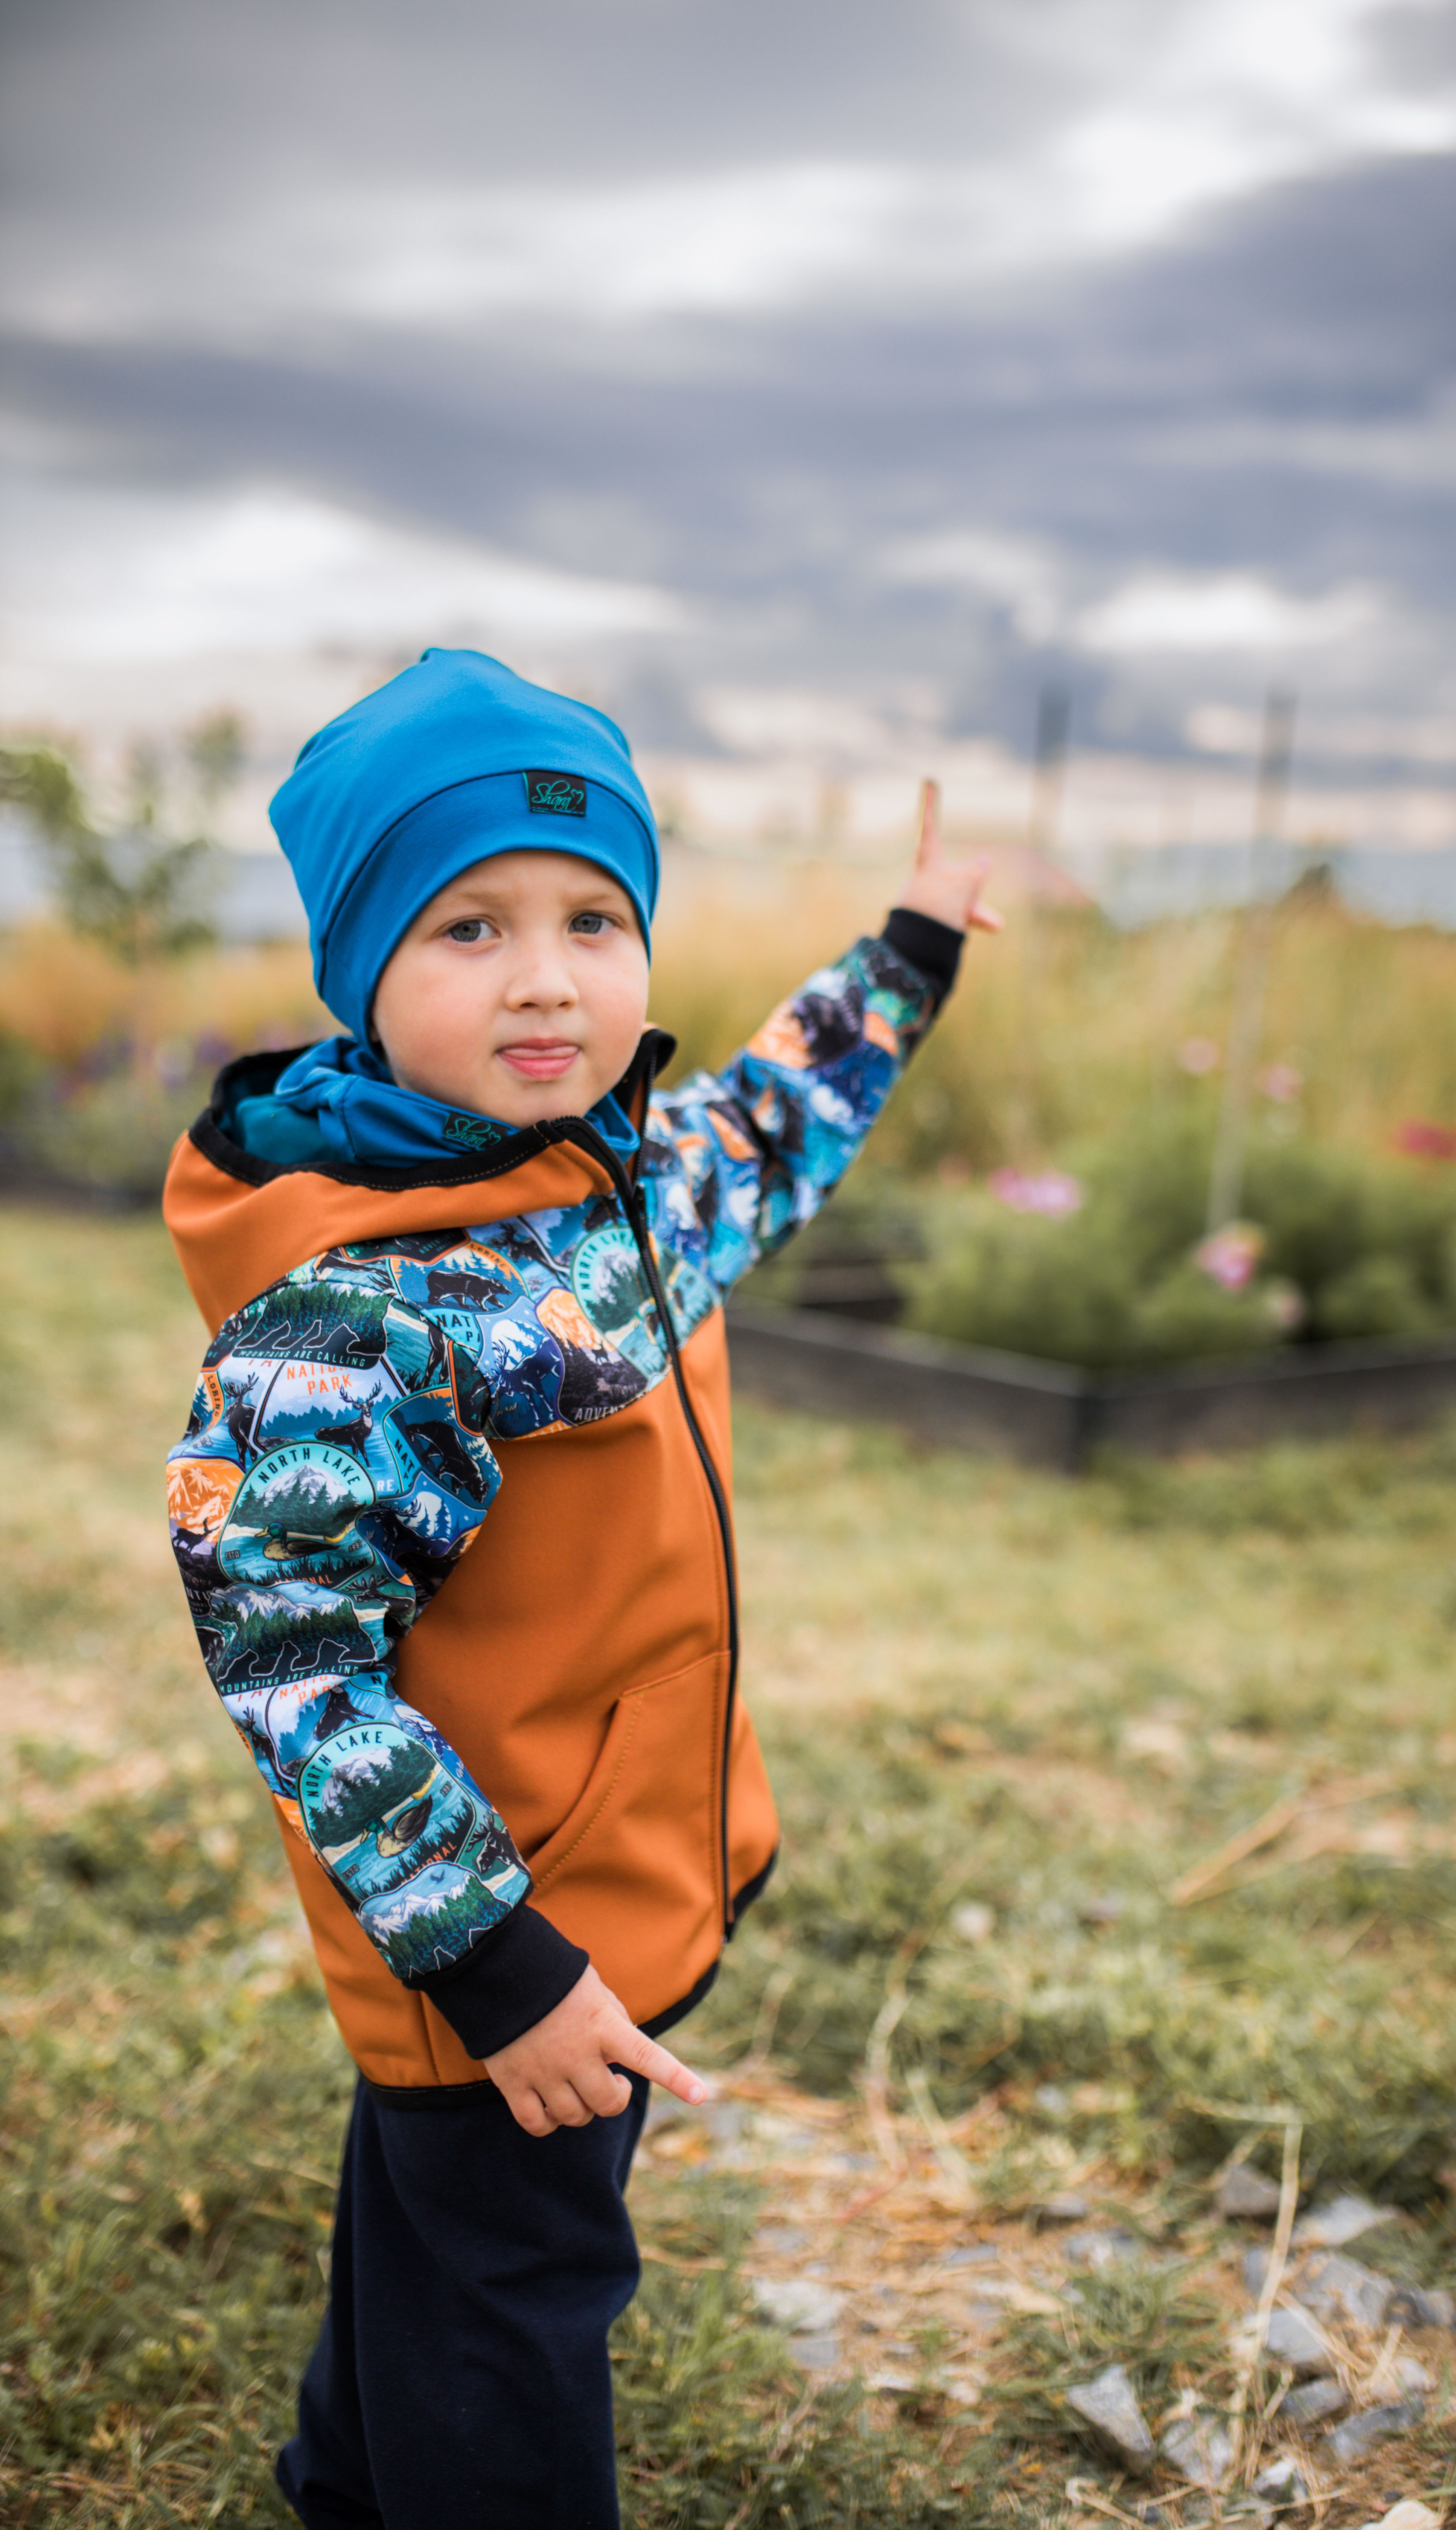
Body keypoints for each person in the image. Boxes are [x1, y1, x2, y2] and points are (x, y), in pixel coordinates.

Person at [161, 646, 998, 2529]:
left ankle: (347, 2479)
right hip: (503, 1919)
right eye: (468, 927)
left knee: (443, 2242)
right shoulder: (364, 1314)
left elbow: (773, 1126)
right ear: (363, 977)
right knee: (515, 2309)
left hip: (594, 1871)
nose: (545, 976)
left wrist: (908, 954)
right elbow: (292, 1660)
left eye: (592, 921)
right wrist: (500, 1967)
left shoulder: (610, 1184)